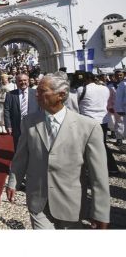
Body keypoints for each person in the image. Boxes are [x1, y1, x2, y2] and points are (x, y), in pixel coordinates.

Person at [6, 73, 110, 229]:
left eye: (42, 91)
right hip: (38, 201)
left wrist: (101, 212)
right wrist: (13, 182)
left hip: (71, 203)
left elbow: (99, 176)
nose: (36, 95)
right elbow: (21, 157)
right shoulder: (29, 122)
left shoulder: (88, 127)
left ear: (60, 95)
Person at [77, 72, 118, 174]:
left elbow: (76, 102)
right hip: (102, 121)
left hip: (88, 121)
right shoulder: (104, 88)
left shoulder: (81, 89)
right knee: (103, 144)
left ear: (85, 79)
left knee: (88, 146)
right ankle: (112, 167)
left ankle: (92, 169)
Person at [4, 73, 39, 152]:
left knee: (34, 148)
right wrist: (8, 125)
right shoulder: (10, 94)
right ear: (16, 82)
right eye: (20, 81)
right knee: (19, 149)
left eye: (25, 80)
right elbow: (6, 110)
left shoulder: (36, 93)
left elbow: (41, 108)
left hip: (33, 126)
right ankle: (20, 163)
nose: (23, 82)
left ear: (28, 81)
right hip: (17, 126)